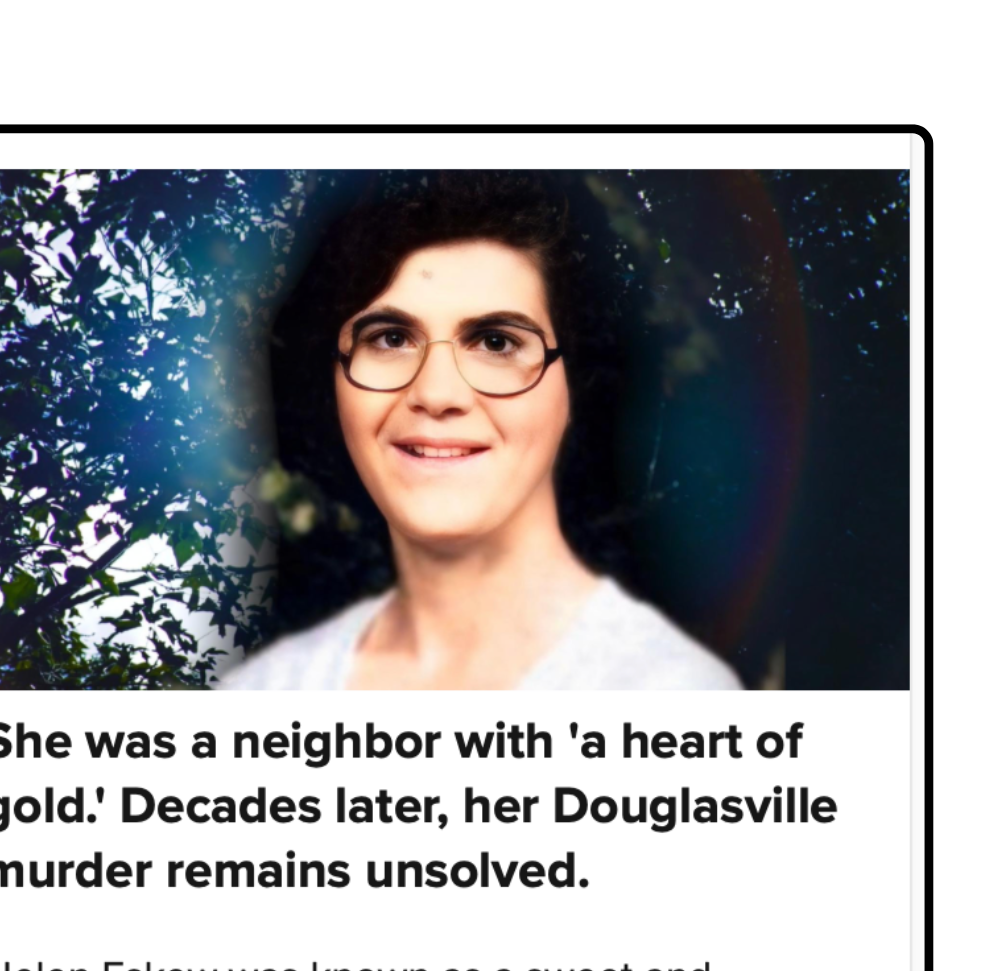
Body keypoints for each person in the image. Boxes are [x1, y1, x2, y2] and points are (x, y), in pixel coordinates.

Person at [219, 171, 742, 691]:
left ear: (578, 385)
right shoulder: (263, 694)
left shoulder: (674, 695)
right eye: (391, 337)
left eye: (496, 342)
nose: (437, 393)